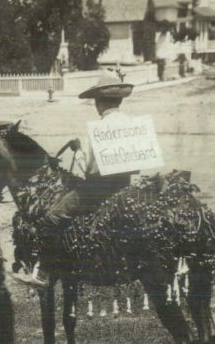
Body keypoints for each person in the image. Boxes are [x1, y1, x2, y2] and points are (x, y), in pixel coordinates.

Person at [13, 74, 138, 288]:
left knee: (52, 218)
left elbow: (86, 167)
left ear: (99, 102)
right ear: (119, 101)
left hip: (99, 189)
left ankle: (43, 274)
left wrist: (78, 149)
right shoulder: (132, 124)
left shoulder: (99, 128)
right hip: (125, 186)